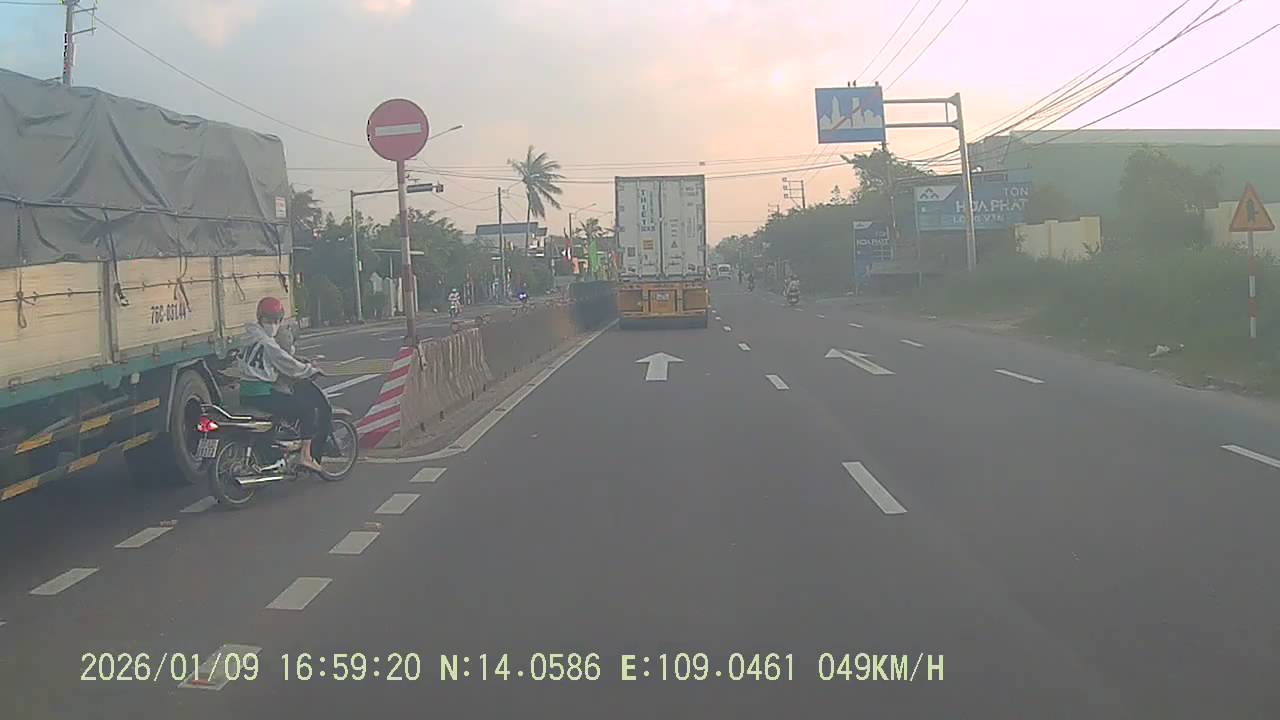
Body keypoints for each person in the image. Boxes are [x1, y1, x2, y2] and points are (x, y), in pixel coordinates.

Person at [237, 296, 328, 474]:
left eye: (276, 320)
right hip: (263, 394)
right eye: (269, 320)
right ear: (260, 318)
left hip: (245, 393)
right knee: (307, 409)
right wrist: (310, 370)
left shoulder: (248, 337)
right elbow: (289, 365)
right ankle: (306, 455)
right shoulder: (268, 344)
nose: (273, 324)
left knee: (284, 410)